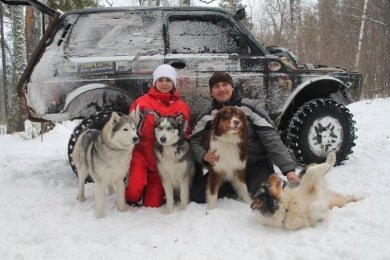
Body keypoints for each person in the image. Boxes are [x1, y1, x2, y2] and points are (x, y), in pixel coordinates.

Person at [190, 71, 300, 203]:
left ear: (232, 87)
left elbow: (271, 138)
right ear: (211, 92)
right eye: (216, 86)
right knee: (197, 195)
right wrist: (203, 155)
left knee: (268, 193)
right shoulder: (206, 117)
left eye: (225, 84)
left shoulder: (249, 107)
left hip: (255, 165)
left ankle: (292, 193)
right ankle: (234, 186)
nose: (221, 89)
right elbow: (194, 141)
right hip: (224, 169)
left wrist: (288, 169)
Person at [125, 64, 191, 207]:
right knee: (132, 194)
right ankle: (135, 182)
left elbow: (185, 135)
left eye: (168, 80)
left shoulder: (183, 108)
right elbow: (128, 129)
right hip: (141, 153)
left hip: (162, 160)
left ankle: (150, 187)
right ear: (155, 82)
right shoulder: (141, 103)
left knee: (152, 204)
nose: (164, 83)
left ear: (173, 83)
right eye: (160, 80)